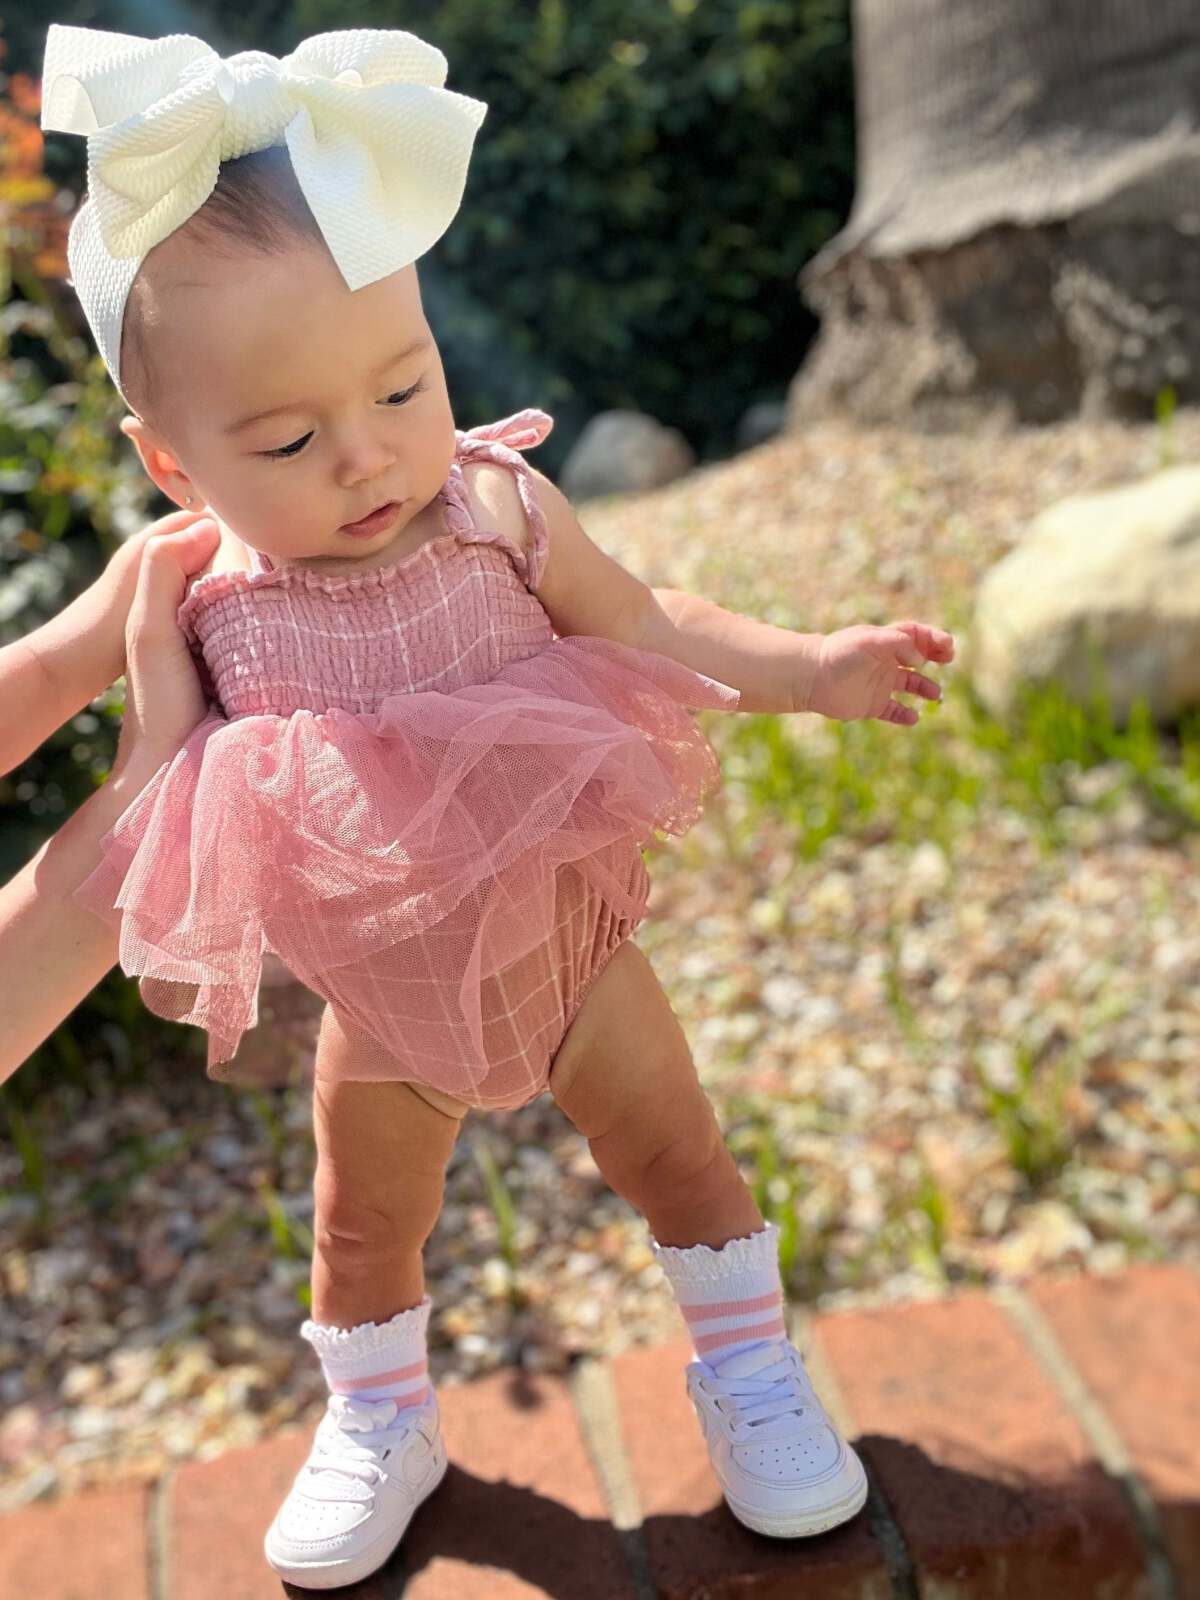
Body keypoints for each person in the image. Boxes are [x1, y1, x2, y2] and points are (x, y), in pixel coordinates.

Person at [13, 21, 956, 1589]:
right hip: (382, 996)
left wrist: (815, 665)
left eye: (403, 381)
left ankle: (748, 1371)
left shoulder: (498, 508)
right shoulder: (191, 588)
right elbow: (35, 681)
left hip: (569, 947)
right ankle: (382, 1418)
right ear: (171, 461)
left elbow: (650, 625)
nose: (370, 453)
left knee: (681, 1157)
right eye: (291, 437)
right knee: (362, 1229)